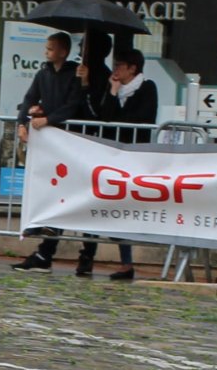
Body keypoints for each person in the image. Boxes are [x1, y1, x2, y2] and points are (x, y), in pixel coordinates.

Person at [12, 31, 90, 274]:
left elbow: (73, 105)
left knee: (71, 196)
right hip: (50, 144)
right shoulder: (43, 72)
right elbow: (29, 98)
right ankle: (45, 249)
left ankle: (81, 254)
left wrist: (49, 119)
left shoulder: (74, 74)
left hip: (70, 141)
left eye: (50, 48)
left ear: (63, 51)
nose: (46, 52)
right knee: (53, 193)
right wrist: (22, 123)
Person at [94, 46, 158, 281]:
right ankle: (125, 262)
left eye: (120, 65)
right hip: (115, 155)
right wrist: (113, 90)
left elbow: (141, 118)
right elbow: (106, 118)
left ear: (133, 68)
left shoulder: (147, 87)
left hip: (137, 155)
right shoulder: (115, 89)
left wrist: (119, 117)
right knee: (116, 205)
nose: (116, 69)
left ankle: (128, 260)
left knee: (129, 206)